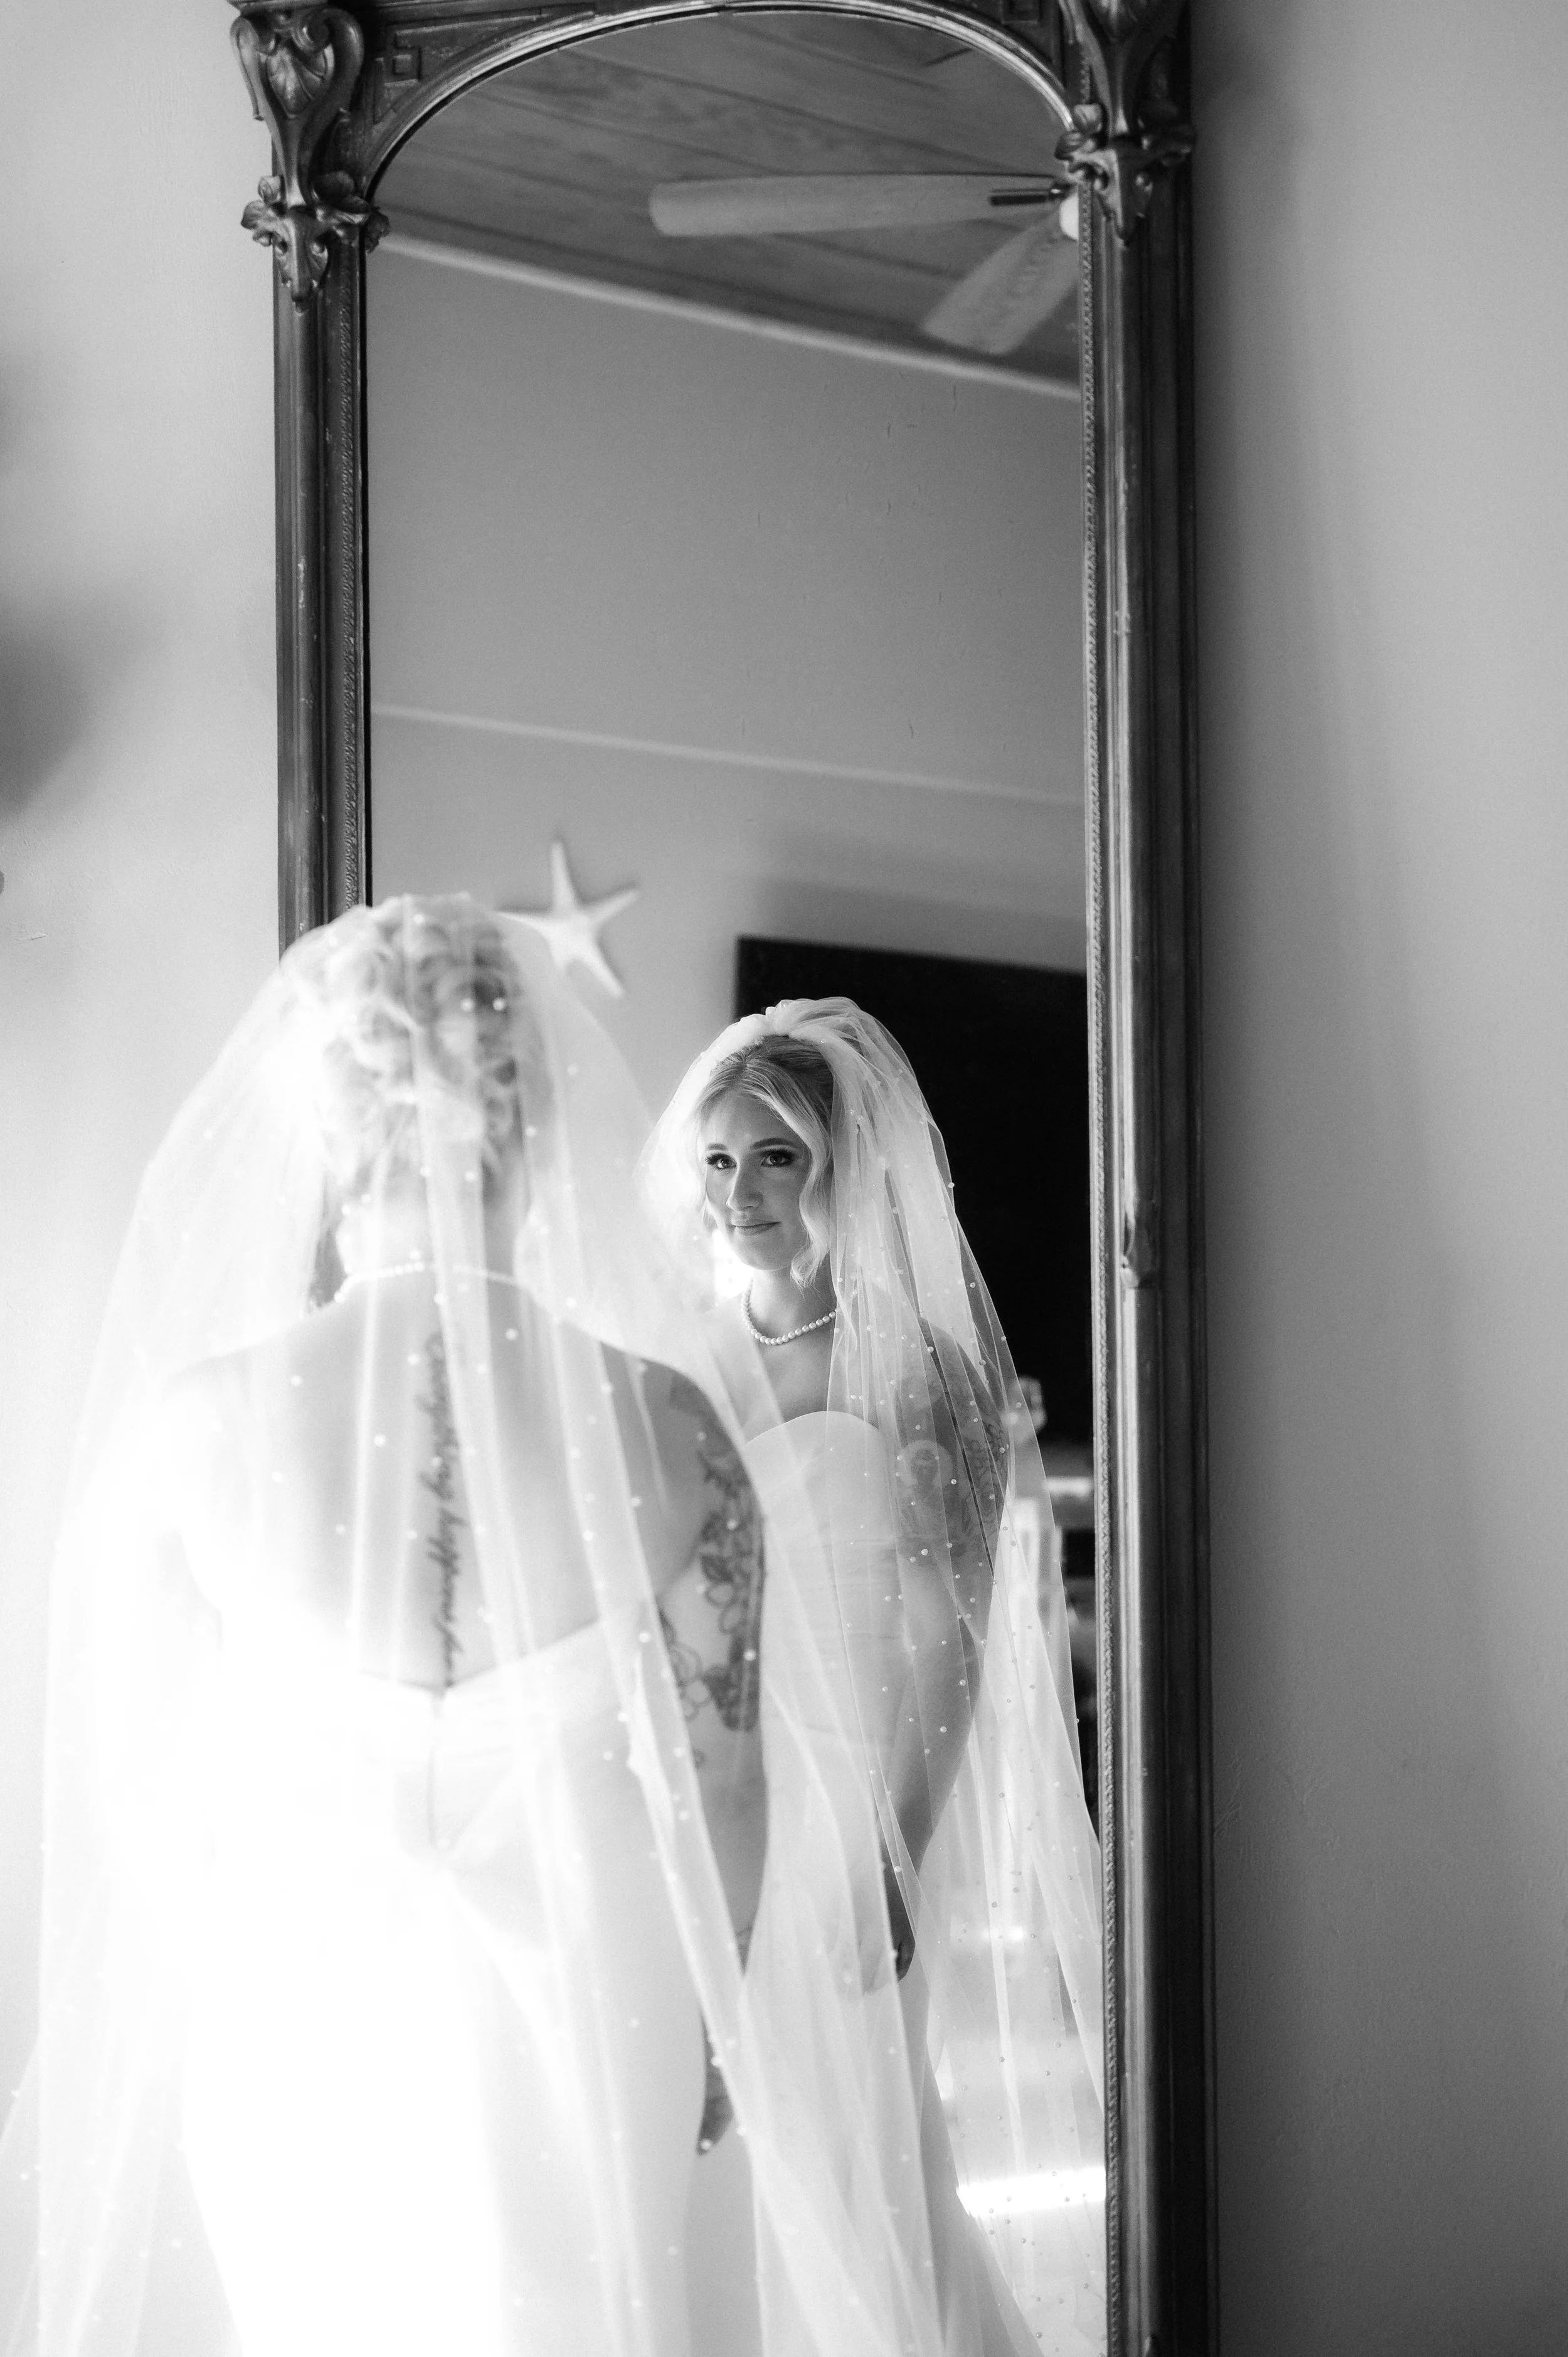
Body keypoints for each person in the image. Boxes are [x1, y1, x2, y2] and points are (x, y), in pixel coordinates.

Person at [0, 903, 916, 2357]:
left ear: (323, 1117)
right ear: (534, 1113)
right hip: (603, 1987)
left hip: (292, 1993)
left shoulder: (197, 1425)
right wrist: (716, 2019)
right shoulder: (670, 1424)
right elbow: (727, 1781)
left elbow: (139, 1788)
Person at [645, 998, 1106, 2357]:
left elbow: (948, 1642)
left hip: (855, 1805)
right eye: (719, 1161)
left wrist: (895, 1855)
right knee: (711, 2154)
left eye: (775, 1157)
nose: (740, 1194)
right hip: (703, 1799)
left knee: (861, 2150)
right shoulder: (678, 1367)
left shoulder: (921, 1373)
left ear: (844, 1164)